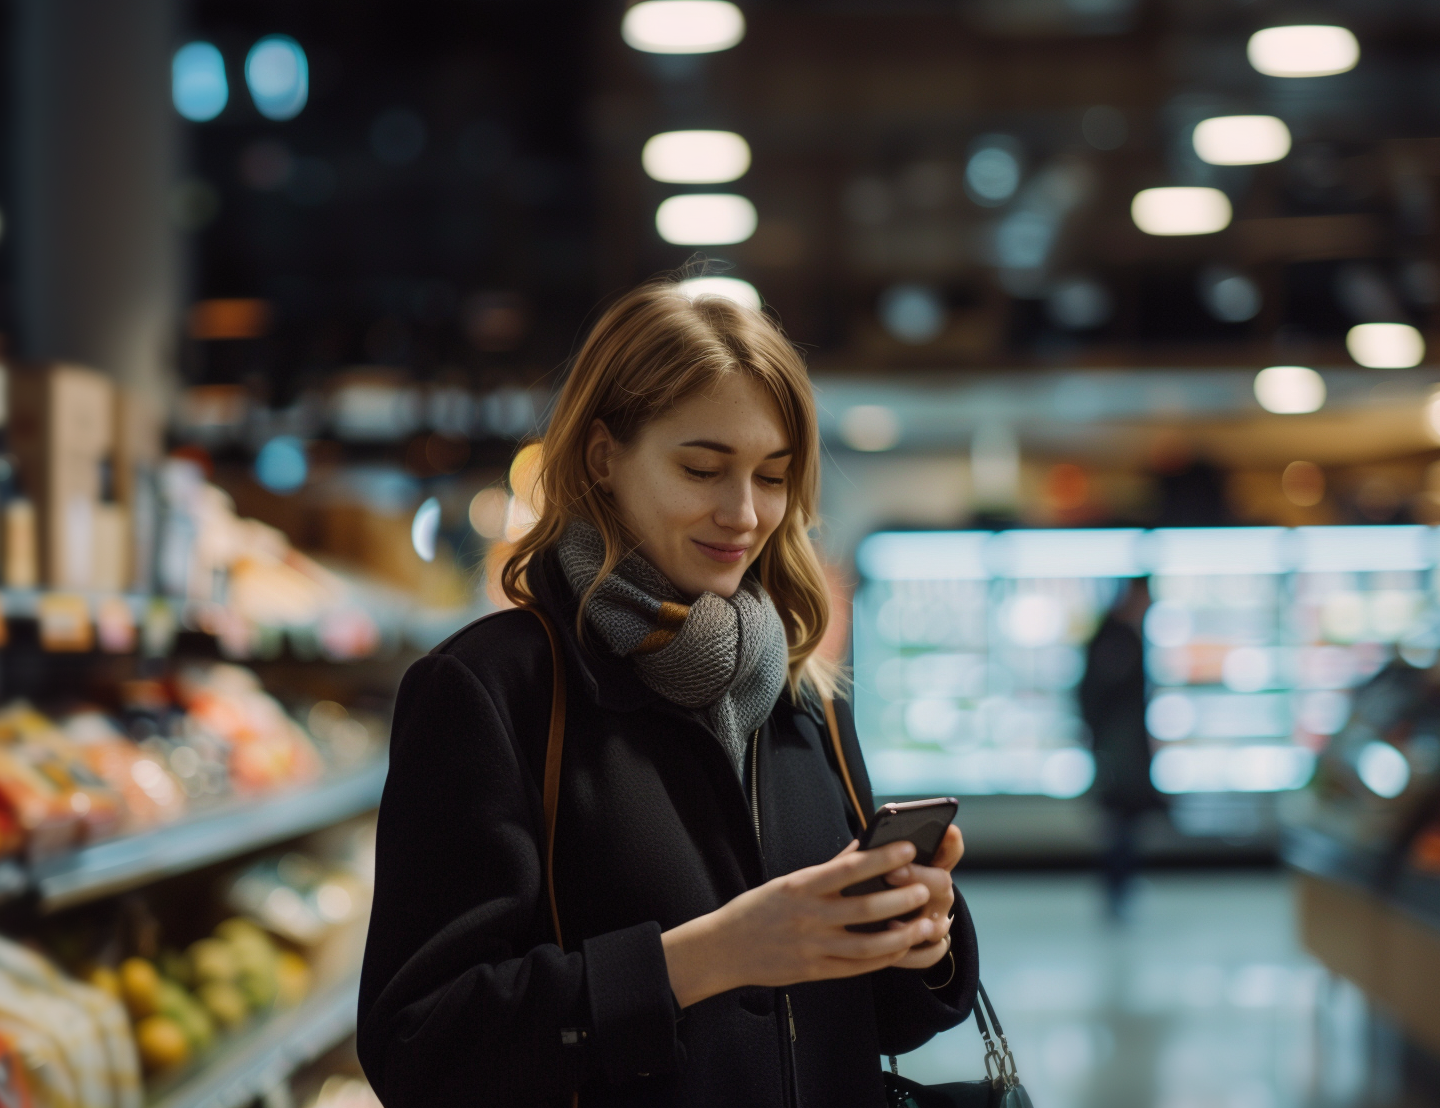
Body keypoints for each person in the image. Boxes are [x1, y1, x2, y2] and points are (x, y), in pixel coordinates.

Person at [359, 280, 978, 1108]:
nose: (744, 513)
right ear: (603, 456)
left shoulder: (807, 697)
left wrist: (918, 936)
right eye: (702, 468)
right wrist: (707, 958)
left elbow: (874, 1023)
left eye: (772, 476)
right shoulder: (491, 690)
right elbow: (421, 1049)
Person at [1077, 576, 1158, 920]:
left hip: (1119, 749)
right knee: (1121, 824)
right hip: (1120, 753)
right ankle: (1118, 891)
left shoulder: (1112, 635)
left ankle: (1120, 890)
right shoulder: (1117, 638)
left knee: (1122, 824)